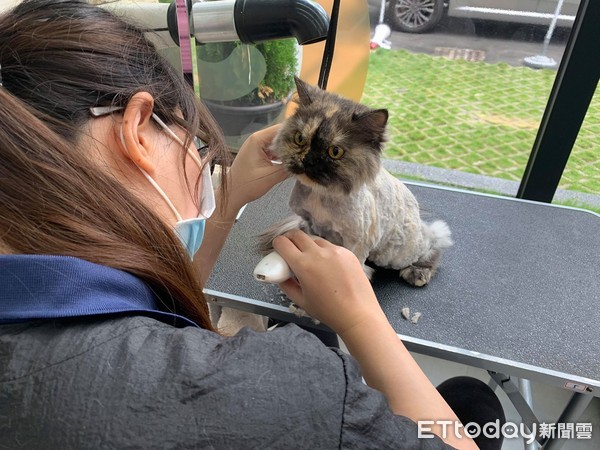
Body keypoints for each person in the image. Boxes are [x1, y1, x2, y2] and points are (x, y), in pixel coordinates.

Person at [0, 1, 504, 448]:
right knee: (473, 401)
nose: (203, 161)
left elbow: (160, 306)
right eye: (197, 143)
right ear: (135, 129)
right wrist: (361, 321)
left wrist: (229, 202)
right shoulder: (289, 388)